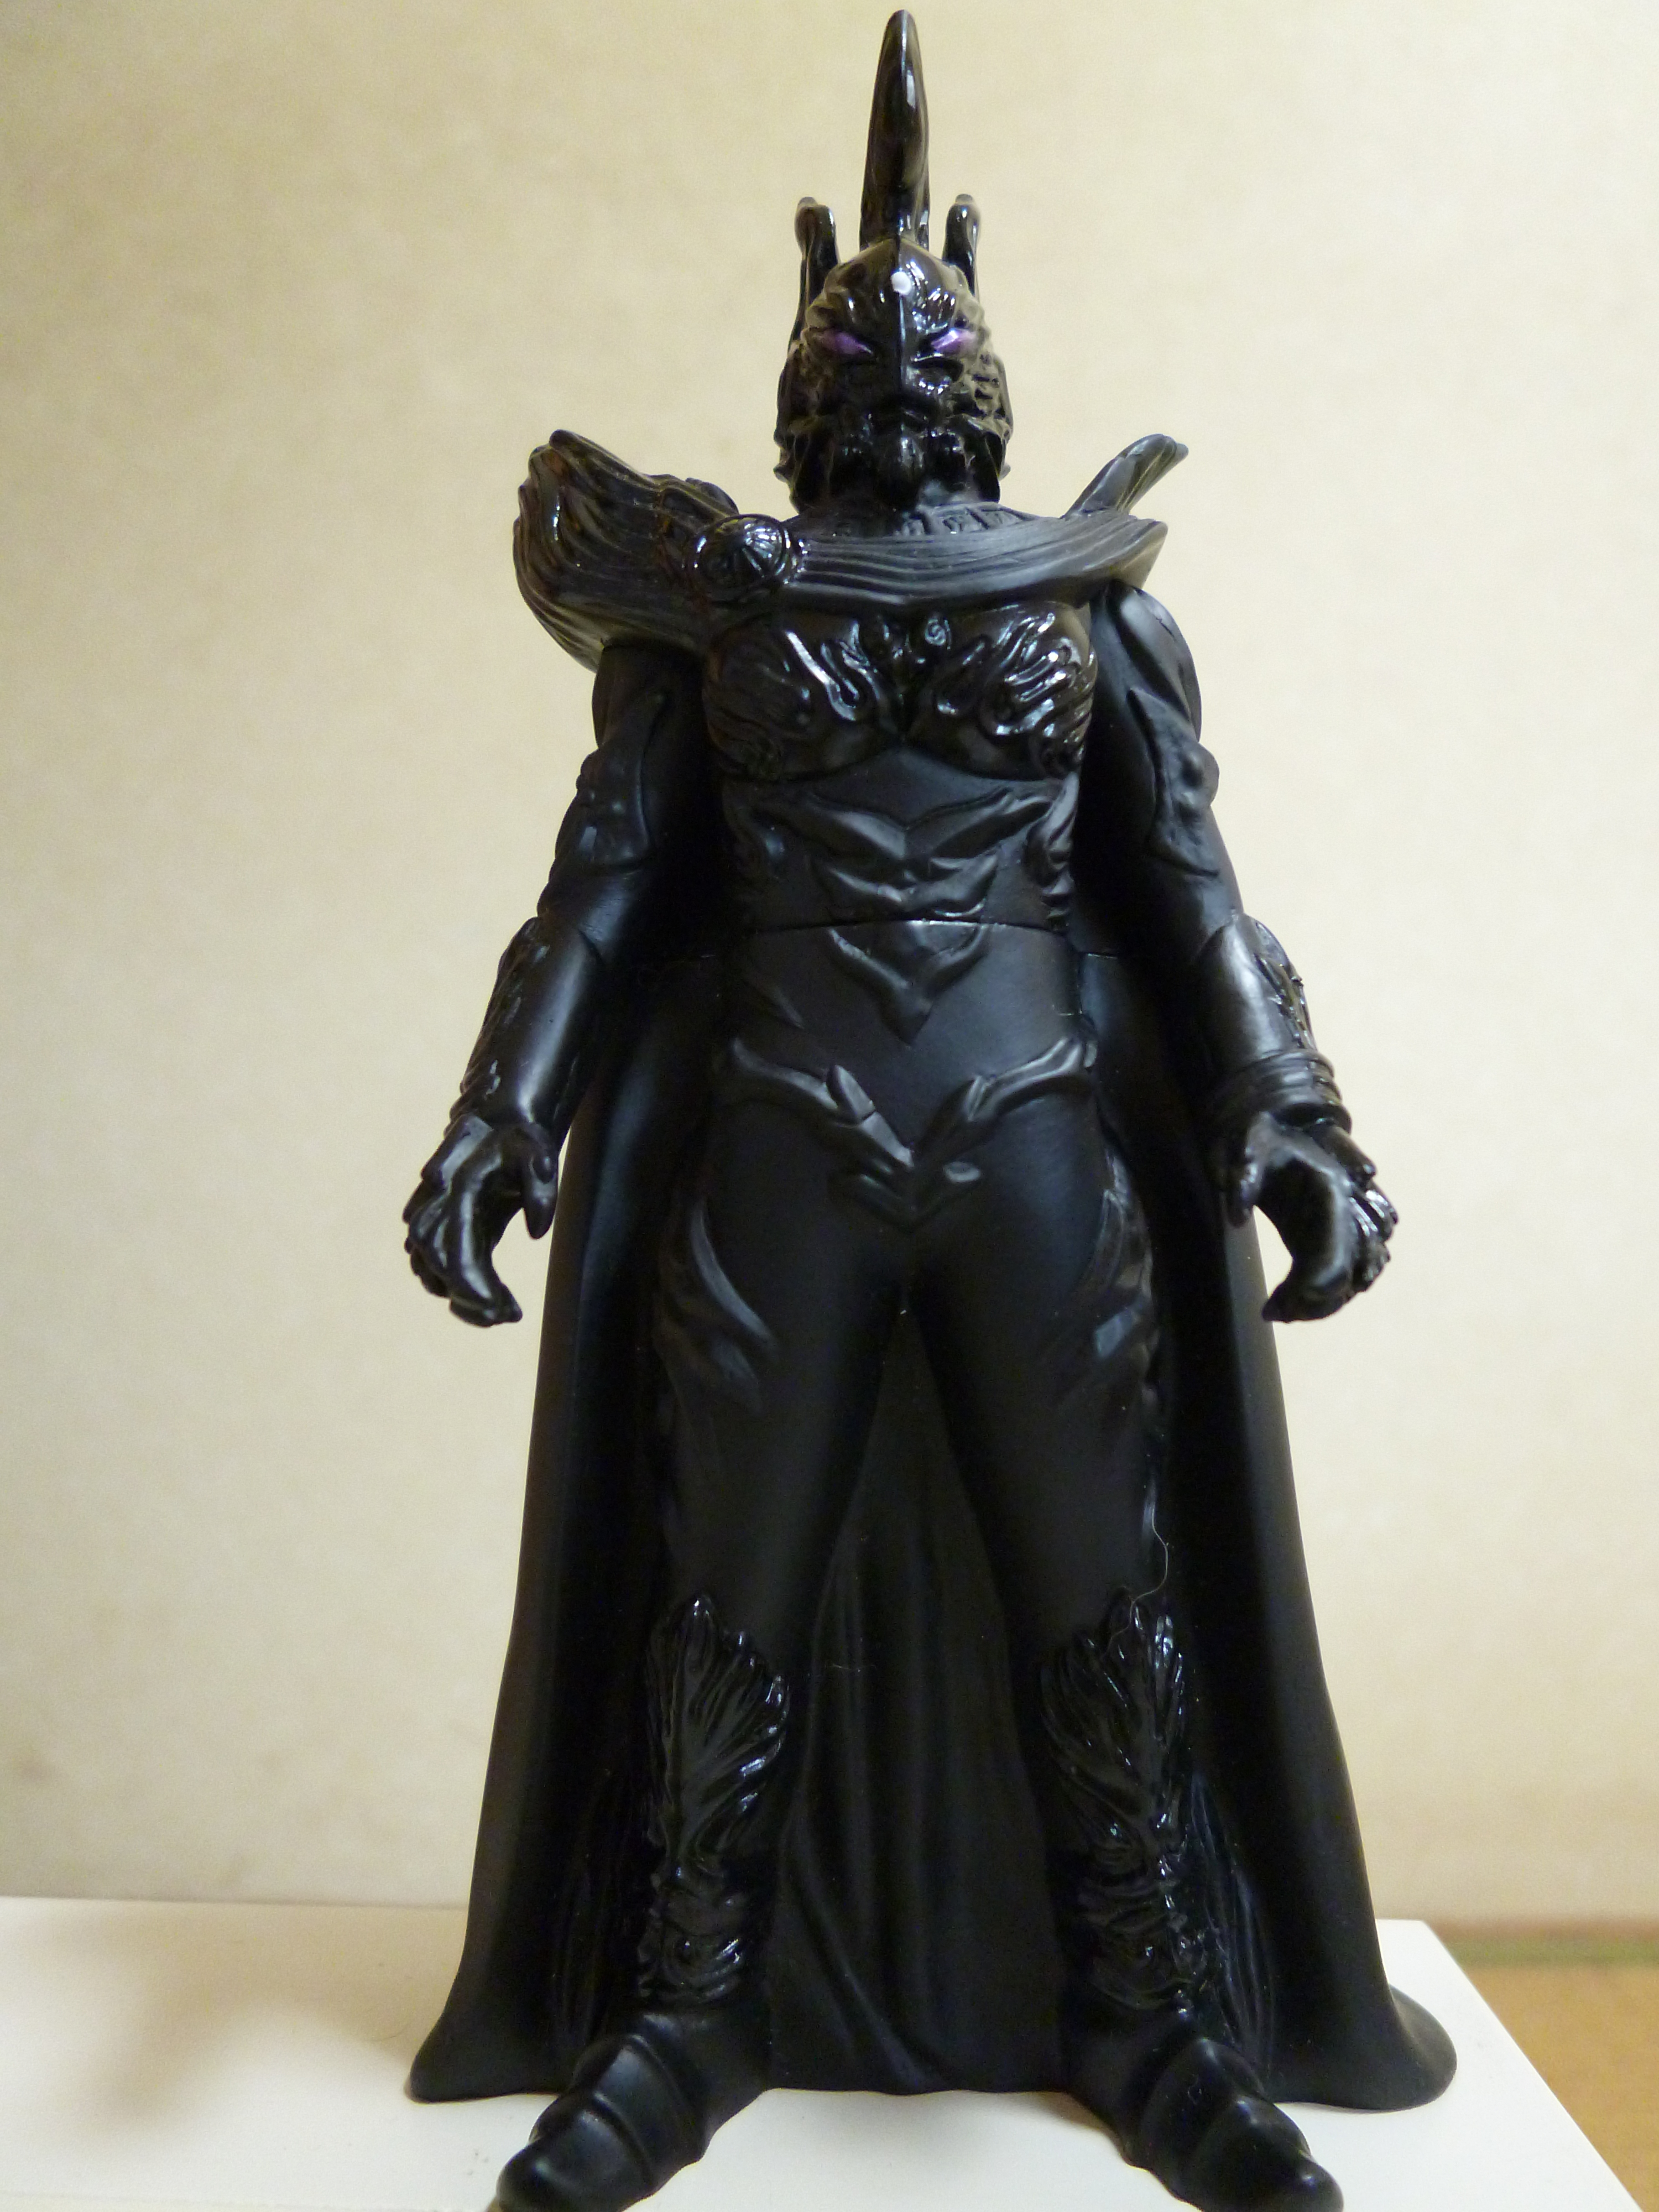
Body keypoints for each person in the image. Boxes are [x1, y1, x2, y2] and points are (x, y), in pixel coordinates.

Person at [402, 18, 1453, 2211]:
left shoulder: (1089, 613)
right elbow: (603, 892)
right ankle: (688, 2008)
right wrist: (504, 1109)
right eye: (857, 350)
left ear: (984, 381)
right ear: (802, 388)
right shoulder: (712, 616)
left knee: (1099, 1594)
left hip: (1038, 1140)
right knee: (728, 1597)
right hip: (781, 1143)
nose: (892, 373)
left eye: (926, 344)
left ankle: (1149, 2007)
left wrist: (1292, 1104)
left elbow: (1191, 889)